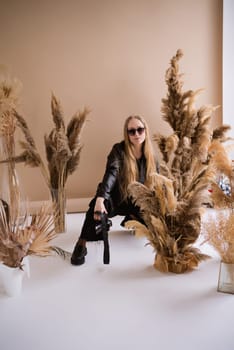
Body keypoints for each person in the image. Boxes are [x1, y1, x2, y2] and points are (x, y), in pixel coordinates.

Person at [70, 115, 158, 265]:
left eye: (140, 130)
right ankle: (81, 244)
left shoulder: (151, 157)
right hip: (118, 198)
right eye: (132, 131)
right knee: (95, 210)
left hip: (138, 202)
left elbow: (157, 182)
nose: (136, 134)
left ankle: (132, 218)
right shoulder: (118, 150)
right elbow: (111, 173)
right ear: (127, 133)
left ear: (145, 131)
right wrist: (100, 199)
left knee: (153, 226)